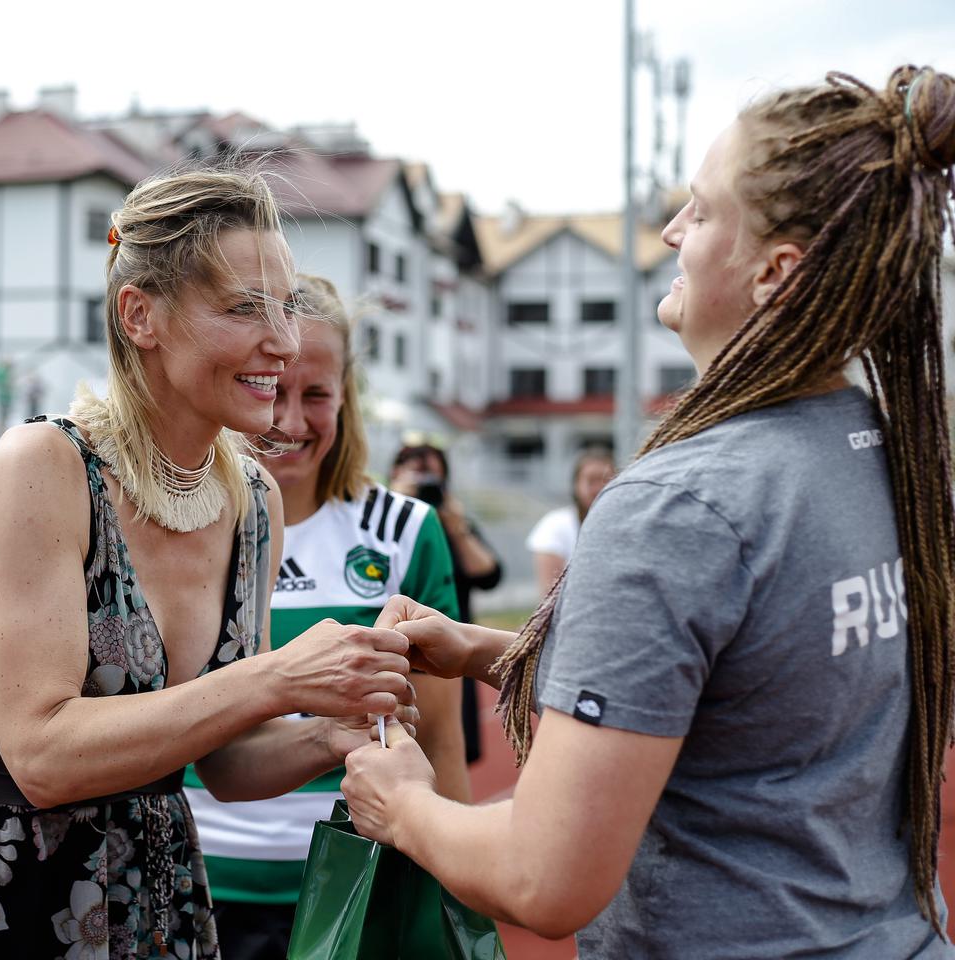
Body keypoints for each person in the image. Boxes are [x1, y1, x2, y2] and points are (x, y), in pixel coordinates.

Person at [342, 66, 955, 958]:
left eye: (700, 213)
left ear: (775, 274)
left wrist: (403, 804)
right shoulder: (883, 453)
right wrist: (495, 652)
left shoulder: (682, 506)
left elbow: (542, 878)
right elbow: (760, 691)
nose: (672, 230)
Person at [0, 166, 416, 960]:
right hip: (8, 902)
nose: (283, 340)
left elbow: (223, 759)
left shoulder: (253, 501)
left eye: (287, 305)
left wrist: (330, 732)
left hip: (161, 889)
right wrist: (275, 680)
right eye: (245, 308)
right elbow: (41, 754)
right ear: (140, 315)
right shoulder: (44, 467)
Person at [184, 276, 471, 958]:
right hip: (193, 882)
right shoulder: (176, 527)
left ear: (347, 399)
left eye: (316, 395)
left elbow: (440, 738)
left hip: (356, 887)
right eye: (272, 390)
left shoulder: (404, 531)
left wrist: (457, 891)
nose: (289, 420)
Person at [390, 441, 502, 763]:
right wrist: (400, 503)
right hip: (396, 651)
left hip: (447, 655)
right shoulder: (378, 522)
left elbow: (489, 574)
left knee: (448, 749)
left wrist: (457, 526)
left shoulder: (451, 523)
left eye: (432, 480)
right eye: (416, 476)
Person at [525, 447, 616, 591]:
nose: (599, 487)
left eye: (606, 480)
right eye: (591, 481)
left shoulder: (626, 525)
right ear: (576, 485)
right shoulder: (555, 525)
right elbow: (549, 595)